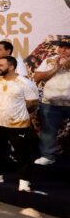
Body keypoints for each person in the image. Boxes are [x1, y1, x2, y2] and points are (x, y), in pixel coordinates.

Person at [0, 56, 39, 192]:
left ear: (11, 67)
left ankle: (24, 180)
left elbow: (32, 104)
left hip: (18, 124)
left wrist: (17, 112)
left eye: (1, 65)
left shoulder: (25, 83)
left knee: (22, 154)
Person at [32, 37, 70, 166]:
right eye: (61, 47)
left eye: (67, 48)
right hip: (50, 102)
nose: (64, 50)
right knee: (48, 130)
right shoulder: (49, 60)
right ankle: (47, 156)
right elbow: (36, 77)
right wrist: (55, 69)